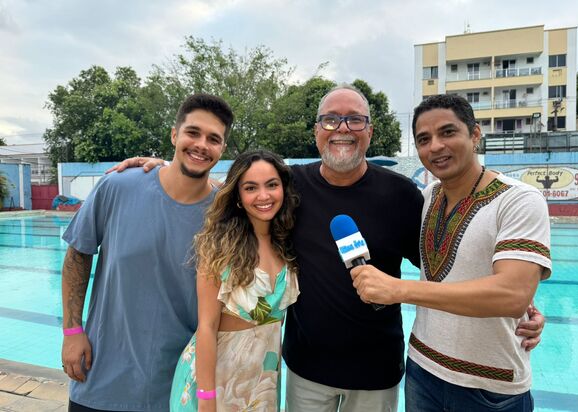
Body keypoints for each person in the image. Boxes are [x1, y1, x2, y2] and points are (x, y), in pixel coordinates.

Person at [113, 85, 546, 411]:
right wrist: (164, 167)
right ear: (316, 131)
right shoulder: (291, 187)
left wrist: (524, 303)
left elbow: (444, 266)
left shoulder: (406, 196)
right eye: (331, 120)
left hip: (379, 372)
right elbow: (240, 194)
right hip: (305, 370)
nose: (343, 129)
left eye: (355, 120)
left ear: (370, 132)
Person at [350, 94, 552, 411]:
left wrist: (399, 289)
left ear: (474, 134)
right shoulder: (427, 197)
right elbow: (465, 270)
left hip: (490, 387)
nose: (435, 147)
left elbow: (513, 294)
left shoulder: (519, 200)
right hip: (422, 371)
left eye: (448, 132)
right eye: (424, 139)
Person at [60, 93, 233, 411]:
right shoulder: (118, 186)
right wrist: (72, 330)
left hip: (178, 387)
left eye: (213, 139)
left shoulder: (226, 211)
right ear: (174, 134)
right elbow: (78, 254)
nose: (201, 145)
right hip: (101, 378)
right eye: (192, 133)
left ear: (222, 149)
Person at [169, 149, 300, 411]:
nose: (263, 196)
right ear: (238, 197)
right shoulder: (218, 247)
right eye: (250, 188)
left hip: (262, 381)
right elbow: (206, 327)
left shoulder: (287, 242)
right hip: (214, 380)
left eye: (272, 185)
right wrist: (207, 399)